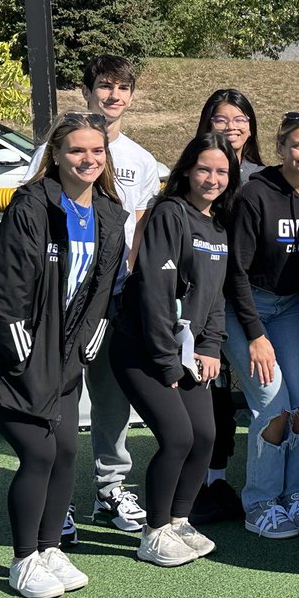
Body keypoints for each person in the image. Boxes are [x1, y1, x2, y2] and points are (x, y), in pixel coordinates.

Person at [0, 112, 126, 598]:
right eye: (77, 150)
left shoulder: (111, 215)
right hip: (4, 357)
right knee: (40, 451)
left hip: (63, 357)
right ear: (56, 154)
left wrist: (95, 331)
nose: (88, 159)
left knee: (68, 450)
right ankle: (23, 560)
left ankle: (50, 548)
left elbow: (101, 292)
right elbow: (4, 293)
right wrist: (28, 361)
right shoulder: (31, 205)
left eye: (96, 151)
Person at [25, 56, 160, 544]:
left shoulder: (142, 161)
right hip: (58, 299)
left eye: (123, 88)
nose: (114, 96)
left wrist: (131, 284)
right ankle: (57, 499)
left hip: (112, 297)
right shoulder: (54, 147)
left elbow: (139, 229)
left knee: (111, 399)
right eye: (105, 86)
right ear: (86, 91)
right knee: (57, 398)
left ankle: (110, 488)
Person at [111, 133, 237, 566]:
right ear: (186, 170)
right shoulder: (170, 213)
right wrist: (168, 362)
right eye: (205, 168)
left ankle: (179, 521)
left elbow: (215, 297)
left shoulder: (218, 224)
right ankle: (154, 531)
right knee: (178, 437)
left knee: (205, 435)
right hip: (142, 349)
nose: (212, 178)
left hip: (187, 352)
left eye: (222, 171)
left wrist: (211, 347)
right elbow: (154, 293)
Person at [224, 112, 299, 539]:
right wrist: (255, 336)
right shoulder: (256, 193)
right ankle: (260, 501)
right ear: (281, 148)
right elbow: (235, 274)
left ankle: (293, 494)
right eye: (298, 145)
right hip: (249, 305)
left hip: (292, 308)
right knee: (272, 401)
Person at [189, 89, 264, 524]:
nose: (231, 126)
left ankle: (258, 483)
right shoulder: (199, 173)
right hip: (206, 297)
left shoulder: (261, 175)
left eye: (240, 118)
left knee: (259, 392)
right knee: (209, 391)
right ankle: (208, 480)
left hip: (251, 299)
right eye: (221, 119)